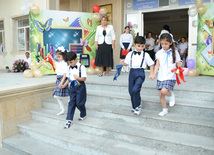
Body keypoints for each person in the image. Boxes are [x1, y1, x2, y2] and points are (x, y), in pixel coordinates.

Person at [120, 36, 154, 115]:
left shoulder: (145, 55)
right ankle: (134, 106)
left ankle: (138, 106)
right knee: (131, 91)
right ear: (134, 45)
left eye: (142, 46)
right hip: (132, 72)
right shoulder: (130, 54)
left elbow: (151, 64)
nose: (140, 48)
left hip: (140, 73)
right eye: (138, 46)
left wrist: (152, 74)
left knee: (136, 89)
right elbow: (127, 63)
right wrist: (123, 63)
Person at [153, 33, 182, 117]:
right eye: (162, 44)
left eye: (166, 44)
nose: (164, 45)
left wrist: (179, 63)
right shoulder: (159, 53)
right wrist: (154, 74)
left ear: (170, 43)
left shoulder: (175, 52)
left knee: (164, 91)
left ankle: (171, 94)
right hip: (161, 75)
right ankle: (164, 109)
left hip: (170, 75)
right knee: (161, 94)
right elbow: (157, 65)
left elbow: (178, 62)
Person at [61, 52, 87, 129]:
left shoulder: (81, 67)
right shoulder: (69, 67)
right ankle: (69, 120)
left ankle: (83, 113)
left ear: (76, 59)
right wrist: (64, 85)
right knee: (71, 102)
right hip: (72, 86)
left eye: (71, 62)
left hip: (80, 85)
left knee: (79, 103)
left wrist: (78, 78)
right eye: (68, 63)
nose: (70, 64)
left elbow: (84, 78)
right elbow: (69, 78)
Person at [48, 46, 69, 116]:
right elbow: (54, 63)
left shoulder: (65, 63)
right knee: (56, 96)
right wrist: (50, 57)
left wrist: (62, 82)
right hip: (58, 79)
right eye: (57, 56)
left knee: (57, 96)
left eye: (59, 56)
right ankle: (63, 109)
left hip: (62, 79)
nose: (58, 58)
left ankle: (70, 99)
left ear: (63, 56)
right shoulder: (59, 62)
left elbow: (65, 74)